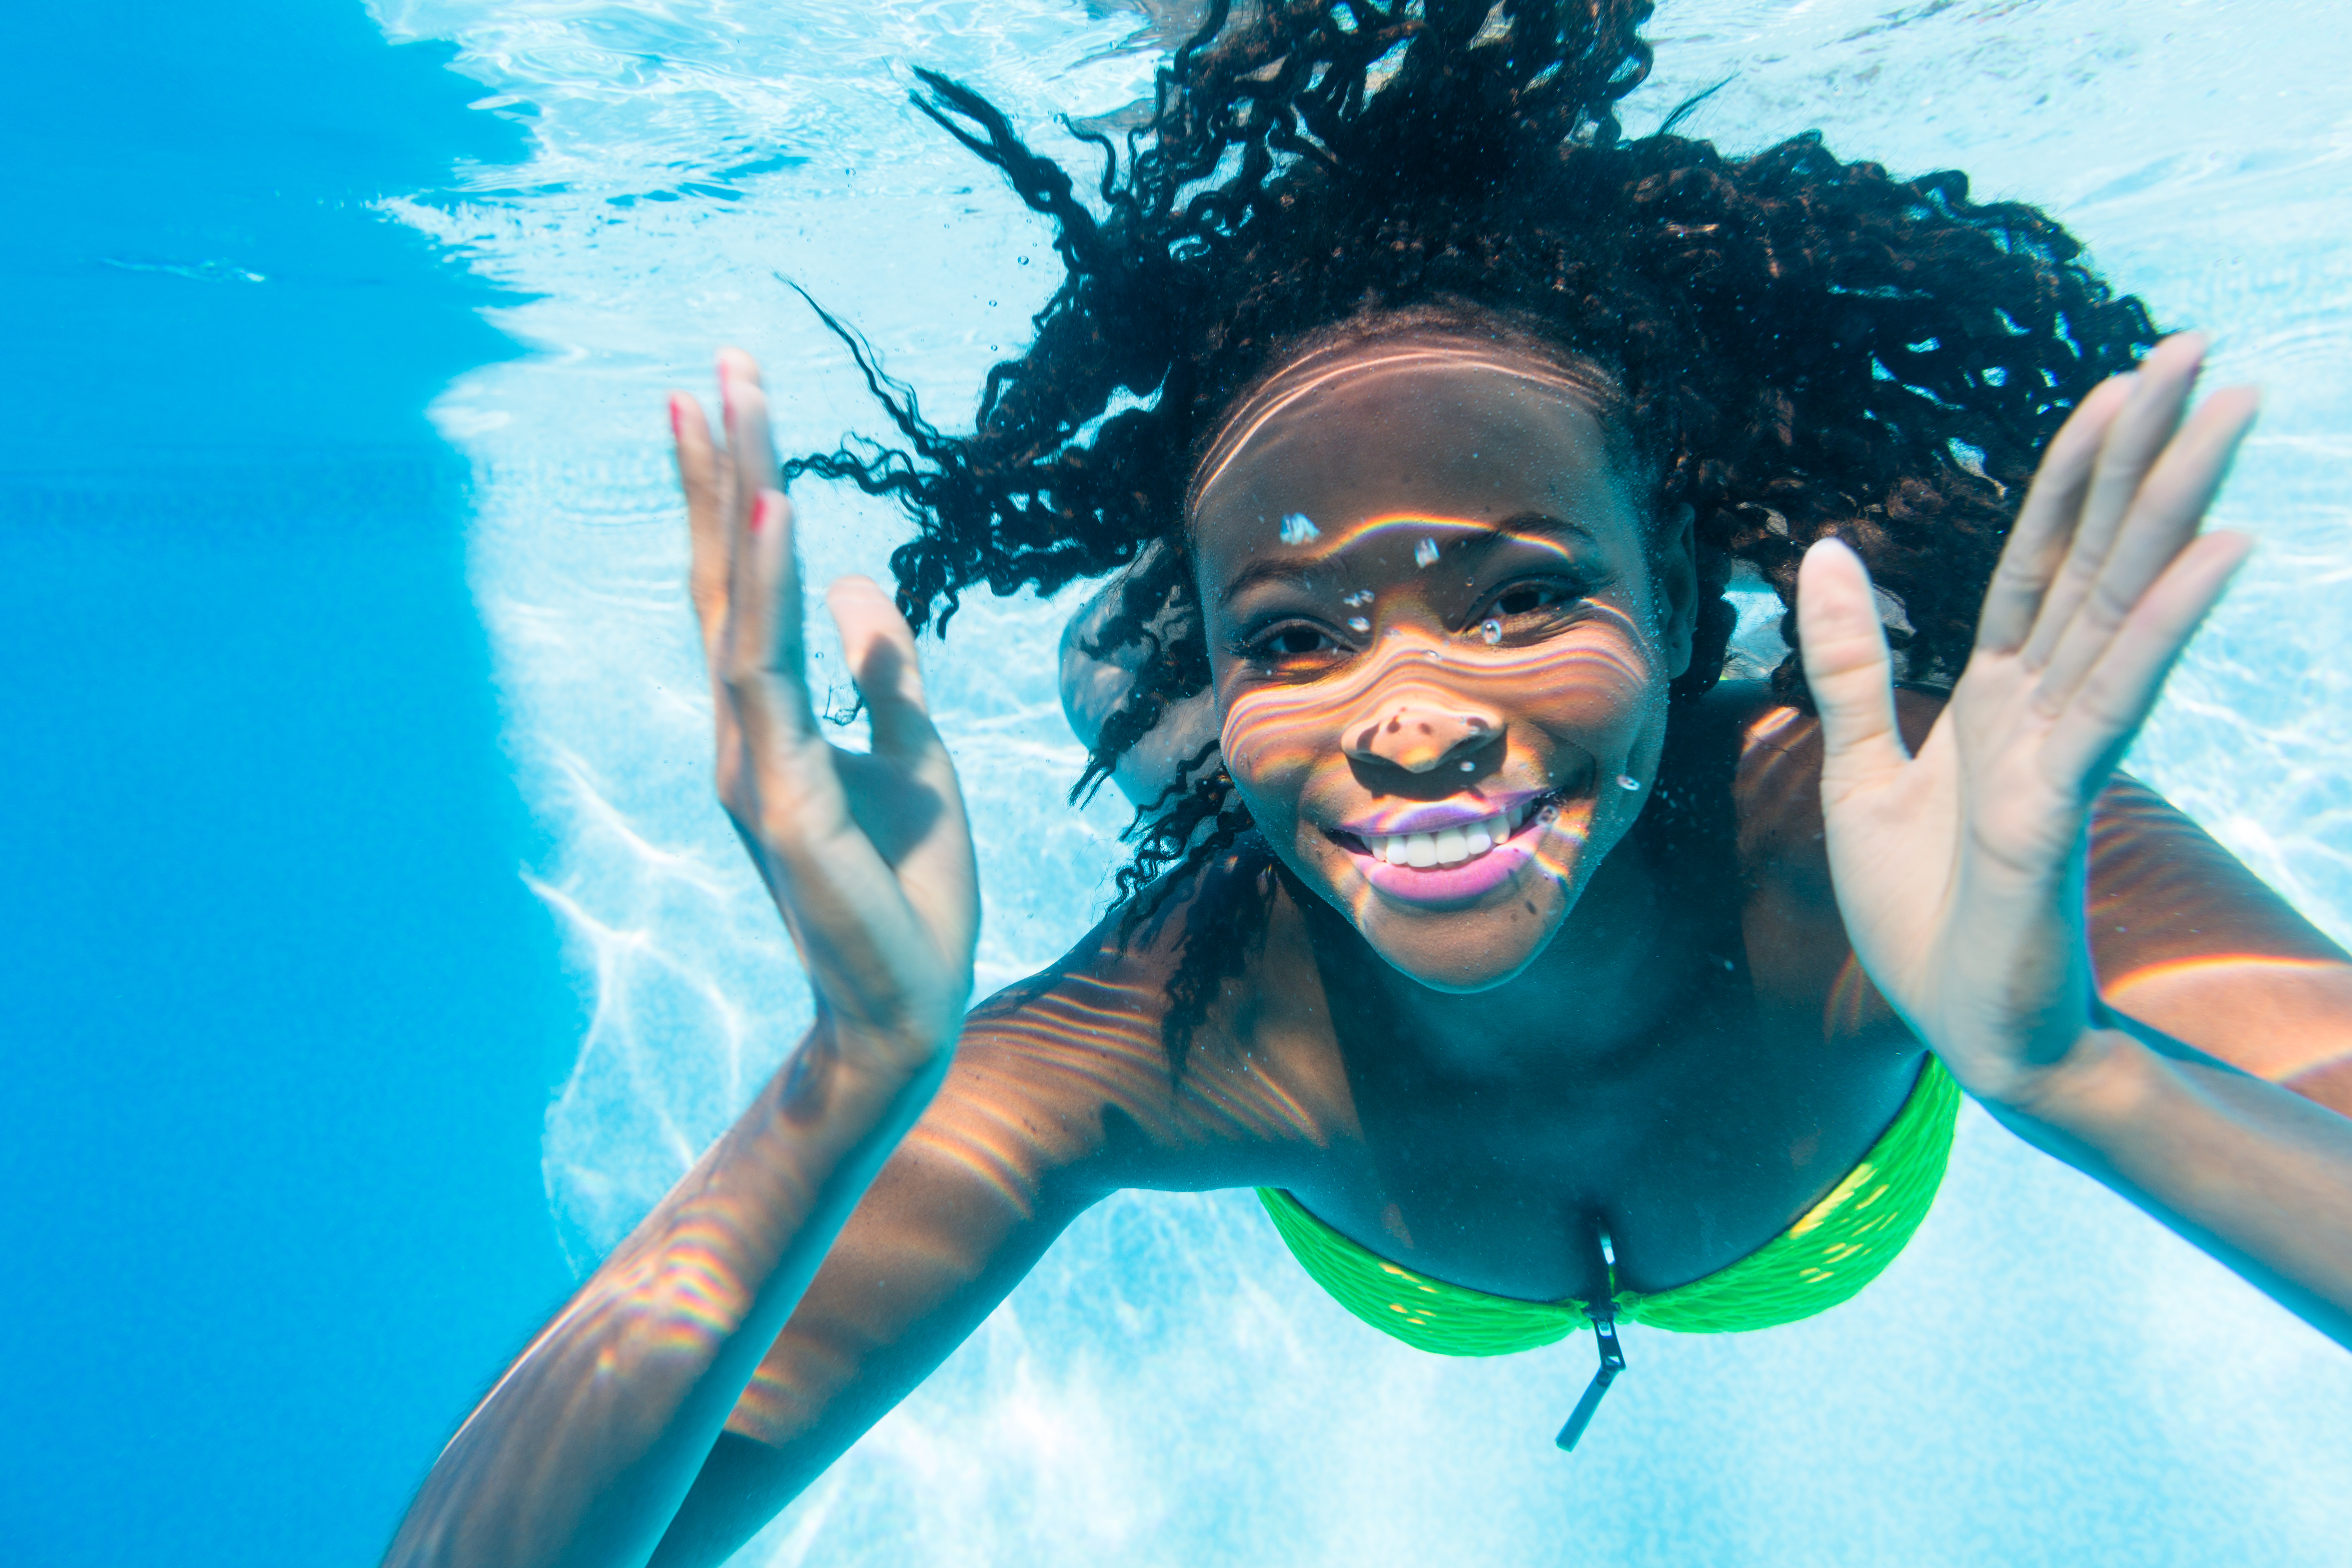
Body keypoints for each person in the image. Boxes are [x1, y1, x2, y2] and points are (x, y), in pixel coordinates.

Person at [383, 3, 2352, 1564]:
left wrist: (2068, 1065)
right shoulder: (1179, 1022)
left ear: (1679, 596)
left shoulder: (1915, 840)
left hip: (1796, 1102)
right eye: (1299, 639)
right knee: (1182, 736)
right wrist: (848, 1074)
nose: (1414, 718)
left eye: (1521, 596)